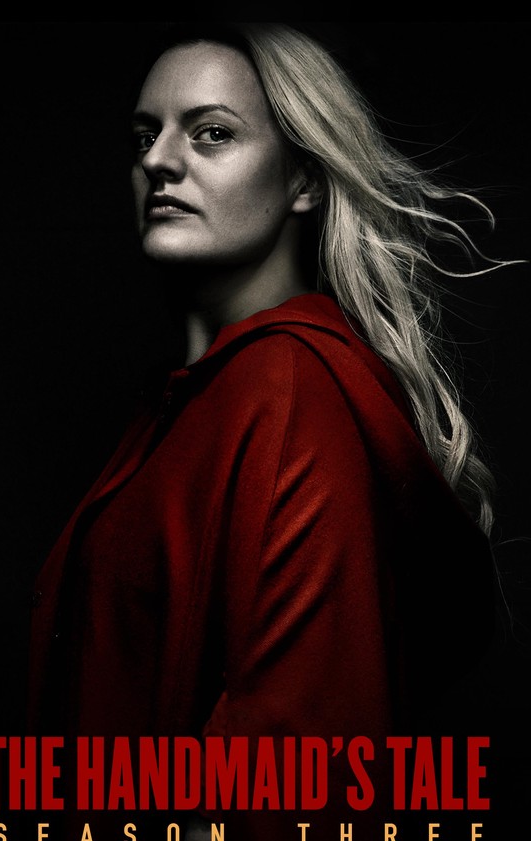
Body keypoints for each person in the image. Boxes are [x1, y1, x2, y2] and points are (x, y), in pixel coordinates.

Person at [27, 22, 512, 839]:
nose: (157, 161)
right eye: (145, 135)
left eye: (211, 133)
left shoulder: (287, 389)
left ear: (304, 181)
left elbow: (289, 777)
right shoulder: (191, 402)